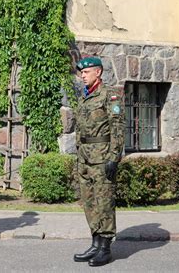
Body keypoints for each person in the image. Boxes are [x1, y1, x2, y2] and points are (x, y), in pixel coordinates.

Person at [73, 56, 125, 267]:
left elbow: (118, 128)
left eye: (86, 72)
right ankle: (95, 243)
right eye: (81, 73)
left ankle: (105, 248)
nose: (82, 76)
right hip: (85, 158)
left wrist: (114, 157)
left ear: (98, 72)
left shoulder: (110, 95)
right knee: (89, 202)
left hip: (102, 158)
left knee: (104, 203)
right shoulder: (84, 97)